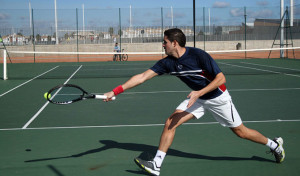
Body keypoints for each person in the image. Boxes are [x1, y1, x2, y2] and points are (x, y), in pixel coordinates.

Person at [104, 28, 285, 176]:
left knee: (241, 132)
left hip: (217, 98)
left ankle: (274, 145)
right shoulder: (167, 63)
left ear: (174, 43)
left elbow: (221, 78)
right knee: (170, 122)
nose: (163, 44)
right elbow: (142, 77)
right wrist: (115, 91)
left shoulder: (198, 55)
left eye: (164, 41)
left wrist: (200, 93)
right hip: (196, 98)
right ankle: (156, 165)